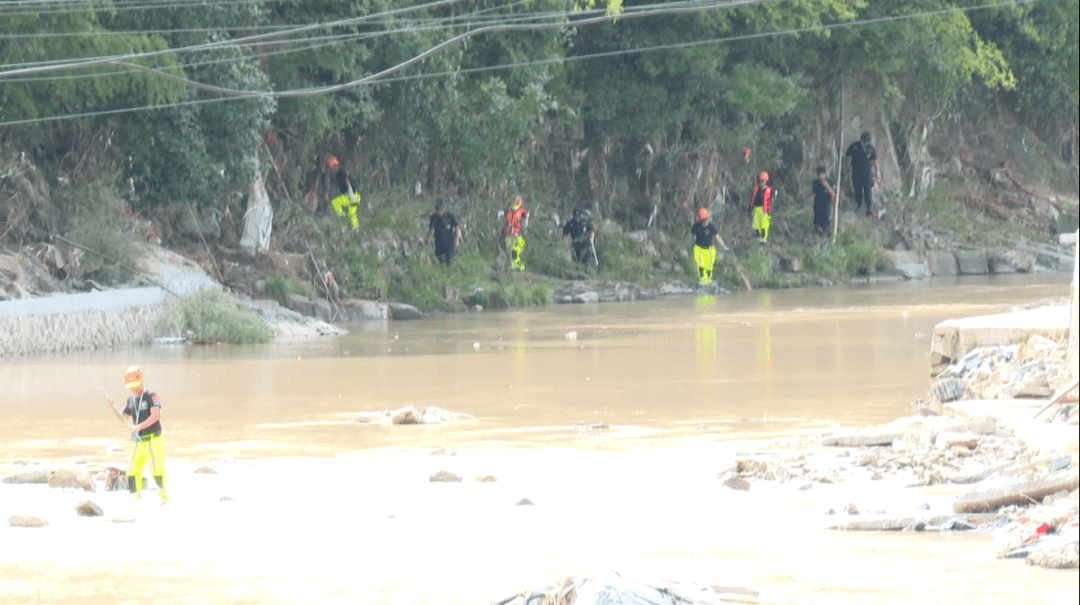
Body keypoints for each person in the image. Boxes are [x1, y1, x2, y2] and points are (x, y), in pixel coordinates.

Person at [107, 366, 167, 503]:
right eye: (131, 386)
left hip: (153, 438)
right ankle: (134, 497)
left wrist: (138, 426)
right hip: (137, 440)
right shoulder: (131, 401)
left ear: (141, 381)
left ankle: (163, 495)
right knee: (133, 469)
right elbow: (123, 417)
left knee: (157, 469)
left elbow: (156, 415)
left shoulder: (152, 396)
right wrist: (112, 406)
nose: (134, 389)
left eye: (135, 385)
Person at [844, 131, 880, 217]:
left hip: (867, 173)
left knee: (868, 191)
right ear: (861, 140)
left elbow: (875, 160)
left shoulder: (871, 148)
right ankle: (859, 205)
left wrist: (877, 172)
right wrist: (847, 167)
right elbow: (846, 156)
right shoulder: (854, 146)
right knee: (858, 189)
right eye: (864, 141)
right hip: (856, 171)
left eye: (867, 141)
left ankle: (868, 209)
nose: (865, 143)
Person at [691, 206, 729, 286]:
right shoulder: (695, 226)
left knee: (709, 268)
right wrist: (692, 245)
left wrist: (724, 247)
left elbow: (717, 237)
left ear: (707, 218)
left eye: (704, 220)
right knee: (701, 266)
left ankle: (708, 283)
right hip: (698, 249)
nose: (703, 222)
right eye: (701, 220)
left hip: (709, 250)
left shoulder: (711, 227)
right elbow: (693, 237)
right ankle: (702, 282)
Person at [326, 155, 360, 231]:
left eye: (331, 168)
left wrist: (350, 194)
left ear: (334, 166)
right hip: (355, 195)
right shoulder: (340, 173)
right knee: (351, 214)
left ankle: (342, 221)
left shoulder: (341, 173)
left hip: (353, 195)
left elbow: (347, 182)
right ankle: (354, 229)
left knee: (335, 203)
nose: (331, 170)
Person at [425, 198, 460, 265]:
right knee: (441, 262)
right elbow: (430, 229)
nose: (439, 212)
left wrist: (457, 240)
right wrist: (427, 239)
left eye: (441, 210)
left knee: (449, 262)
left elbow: (456, 226)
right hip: (439, 244)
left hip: (449, 244)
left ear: (444, 209)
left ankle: (449, 273)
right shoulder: (434, 218)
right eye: (438, 210)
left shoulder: (449, 216)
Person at [748, 170, 774, 244]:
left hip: (764, 210)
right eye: (761, 181)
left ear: (766, 181)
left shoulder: (769, 190)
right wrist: (750, 208)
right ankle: (758, 238)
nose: (762, 182)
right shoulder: (756, 189)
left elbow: (771, 200)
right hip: (756, 209)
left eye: (763, 181)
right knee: (756, 226)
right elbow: (752, 199)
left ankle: (763, 242)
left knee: (764, 227)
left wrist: (770, 210)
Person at [811, 166, 836, 235]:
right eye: (819, 174)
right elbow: (814, 193)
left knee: (825, 224)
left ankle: (826, 236)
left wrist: (827, 186)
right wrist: (812, 197)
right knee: (817, 224)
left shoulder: (830, 182)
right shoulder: (816, 182)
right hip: (817, 206)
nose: (820, 176)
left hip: (826, 206)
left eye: (822, 174)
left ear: (825, 174)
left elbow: (834, 195)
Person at [504, 195, 526, 272]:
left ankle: (515, 263)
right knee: (511, 248)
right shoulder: (509, 209)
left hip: (517, 232)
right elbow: (508, 220)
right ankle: (511, 264)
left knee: (517, 248)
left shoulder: (521, 211)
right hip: (510, 232)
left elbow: (524, 220)